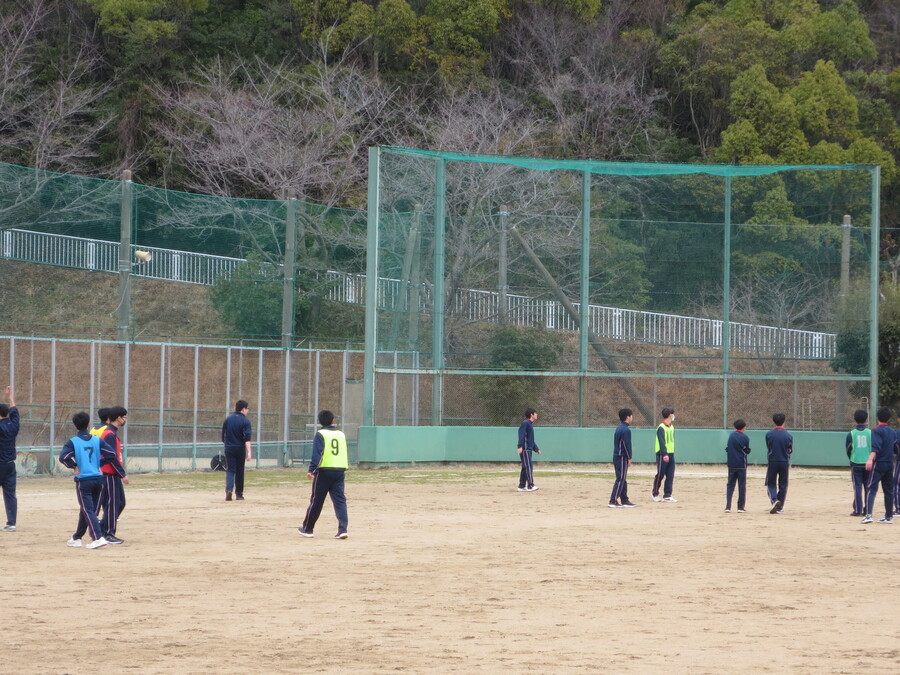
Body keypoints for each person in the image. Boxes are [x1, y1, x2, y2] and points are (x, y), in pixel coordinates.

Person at [58, 411, 124, 549]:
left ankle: (97, 537)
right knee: (88, 509)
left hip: (84, 480)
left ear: (75, 425)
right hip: (99, 479)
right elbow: (111, 454)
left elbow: (63, 457)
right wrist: (99, 464)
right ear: (88, 424)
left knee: (88, 509)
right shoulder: (96, 439)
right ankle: (77, 538)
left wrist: (74, 465)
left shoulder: (73, 442)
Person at [298, 410, 349, 539]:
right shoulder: (341, 434)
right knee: (340, 501)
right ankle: (342, 529)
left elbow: (318, 454)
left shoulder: (321, 434)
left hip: (325, 471)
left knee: (317, 501)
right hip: (339, 470)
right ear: (333, 421)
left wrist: (312, 470)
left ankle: (308, 529)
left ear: (319, 422)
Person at [98, 406, 129, 544]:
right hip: (109, 474)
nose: (125, 420)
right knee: (113, 504)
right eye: (124, 417)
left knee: (120, 503)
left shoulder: (111, 433)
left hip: (112, 474)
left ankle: (102, 527)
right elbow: (111, 457)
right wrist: (122, 474)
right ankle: (108, 533)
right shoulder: (109, 434)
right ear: (118, 418)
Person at [862, 407, 895, 524]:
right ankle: (888, 516)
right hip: (890, 464)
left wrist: (870, 460)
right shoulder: (892, 431)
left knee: (871, 488)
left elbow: (876, 446)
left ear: (877, 418)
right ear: (889, 419)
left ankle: (868, 515)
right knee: (888, 490)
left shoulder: (876, 431)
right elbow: (895, 449)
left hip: (879, 463)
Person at [222, 399, 252, 501]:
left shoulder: (228, 419)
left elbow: (223, 436)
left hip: (229, 448)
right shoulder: (245, 421)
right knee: (240, 471)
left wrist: (227, 444)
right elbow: (247, 439)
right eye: (247, 408)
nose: (247, 410)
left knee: (230, 470)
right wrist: (249, 452)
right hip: (240, 448)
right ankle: (239, 494)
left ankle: (229, 490)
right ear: (243, 409)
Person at [0, 386, 20, 532]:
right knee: (10, 494)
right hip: (10, 465)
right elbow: (15, 413)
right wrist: (10, 398)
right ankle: (11, 522)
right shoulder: (13, 425)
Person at [765, 413, 793, 514]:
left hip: (772, 461)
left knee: (771, 483)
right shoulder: (789, 435)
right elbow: (789, 449)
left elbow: (768, 446)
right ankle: (780, 506)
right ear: (784, 421)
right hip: (784, 461)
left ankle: (774, 500)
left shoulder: (769, 434)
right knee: (783, 484)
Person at [609, 408, 636, 507]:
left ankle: (624, 499)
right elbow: (626, 445)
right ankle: (613, 500)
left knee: (622, 478)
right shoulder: (626, 430)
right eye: (631, 415)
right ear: (628, 417)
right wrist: (629, 457)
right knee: (620, 479)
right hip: (621, 457)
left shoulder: (619, 428)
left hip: (617, 456)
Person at [846, 409, 871, 517]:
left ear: (855, 420)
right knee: (867, 487)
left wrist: (851, 459)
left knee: (857, 487)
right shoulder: (870, 433)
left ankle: (857, 509)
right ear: (866, 420)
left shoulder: (851, 433)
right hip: (868, 463)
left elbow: (848, 449)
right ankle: (867, 509)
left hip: (856, 463)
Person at [724, 419, 751, 513]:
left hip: (731, 464)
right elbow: (746, 450)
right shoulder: (745, 437)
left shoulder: (731, 436)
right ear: (744, 427)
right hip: (741, 464)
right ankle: (740, 507)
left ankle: (728, 506)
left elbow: (727, 448)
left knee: (730, 485)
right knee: (741, 485)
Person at [651, 407, 677, 502]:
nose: (673, 415)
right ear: (670, 415)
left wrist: (670, 453)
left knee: (670, 474)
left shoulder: (671, 426)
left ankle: (667, 495)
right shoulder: (661, 427)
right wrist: (664, 453)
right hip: (662, 454)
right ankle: (655, 492)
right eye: (672, 414)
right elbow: (662, 442)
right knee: (661, 474)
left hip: (671, 453)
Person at [516, 408, 541, 492]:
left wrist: (536, 449)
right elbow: (521, 435)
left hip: (529, 449)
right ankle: (530, 485)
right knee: (528, 466)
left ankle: (521, 486)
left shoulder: (530, 424)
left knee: (525, 467)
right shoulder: (525, 423)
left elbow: (530, 439)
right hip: (525, 449)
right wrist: (520, 446)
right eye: (535, 413)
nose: (537, 415)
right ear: (531, 415)